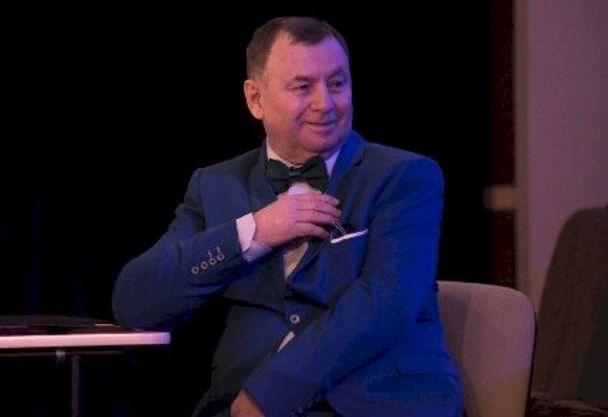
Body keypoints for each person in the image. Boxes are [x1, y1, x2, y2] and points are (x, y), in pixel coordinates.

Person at [112, 16, 463, 417]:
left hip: (377, 402)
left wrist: (272, 392)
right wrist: (254, 231)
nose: (325, 103)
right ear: (255, 99)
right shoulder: (215, 185)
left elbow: (386, 304)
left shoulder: (403, 176)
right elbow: (136, 302)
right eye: (302, 87)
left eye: (337, 83)